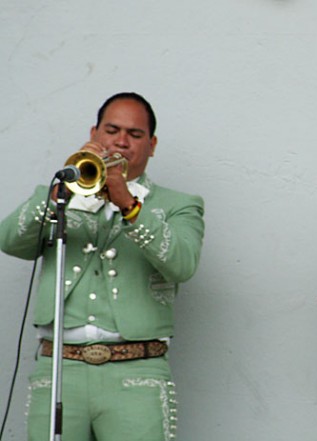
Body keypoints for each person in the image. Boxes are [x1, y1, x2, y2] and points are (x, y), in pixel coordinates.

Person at [0, 92, 204, 441]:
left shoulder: (179, 205)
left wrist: (127, 202)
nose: (121, 141)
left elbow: (182, 264)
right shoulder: (59, 195)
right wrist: (57, 196)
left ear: (151, 145)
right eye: (112, 130)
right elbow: (10, 240)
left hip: (137, 372)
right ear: (95, 134)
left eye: (135, 134)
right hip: (59, 368)